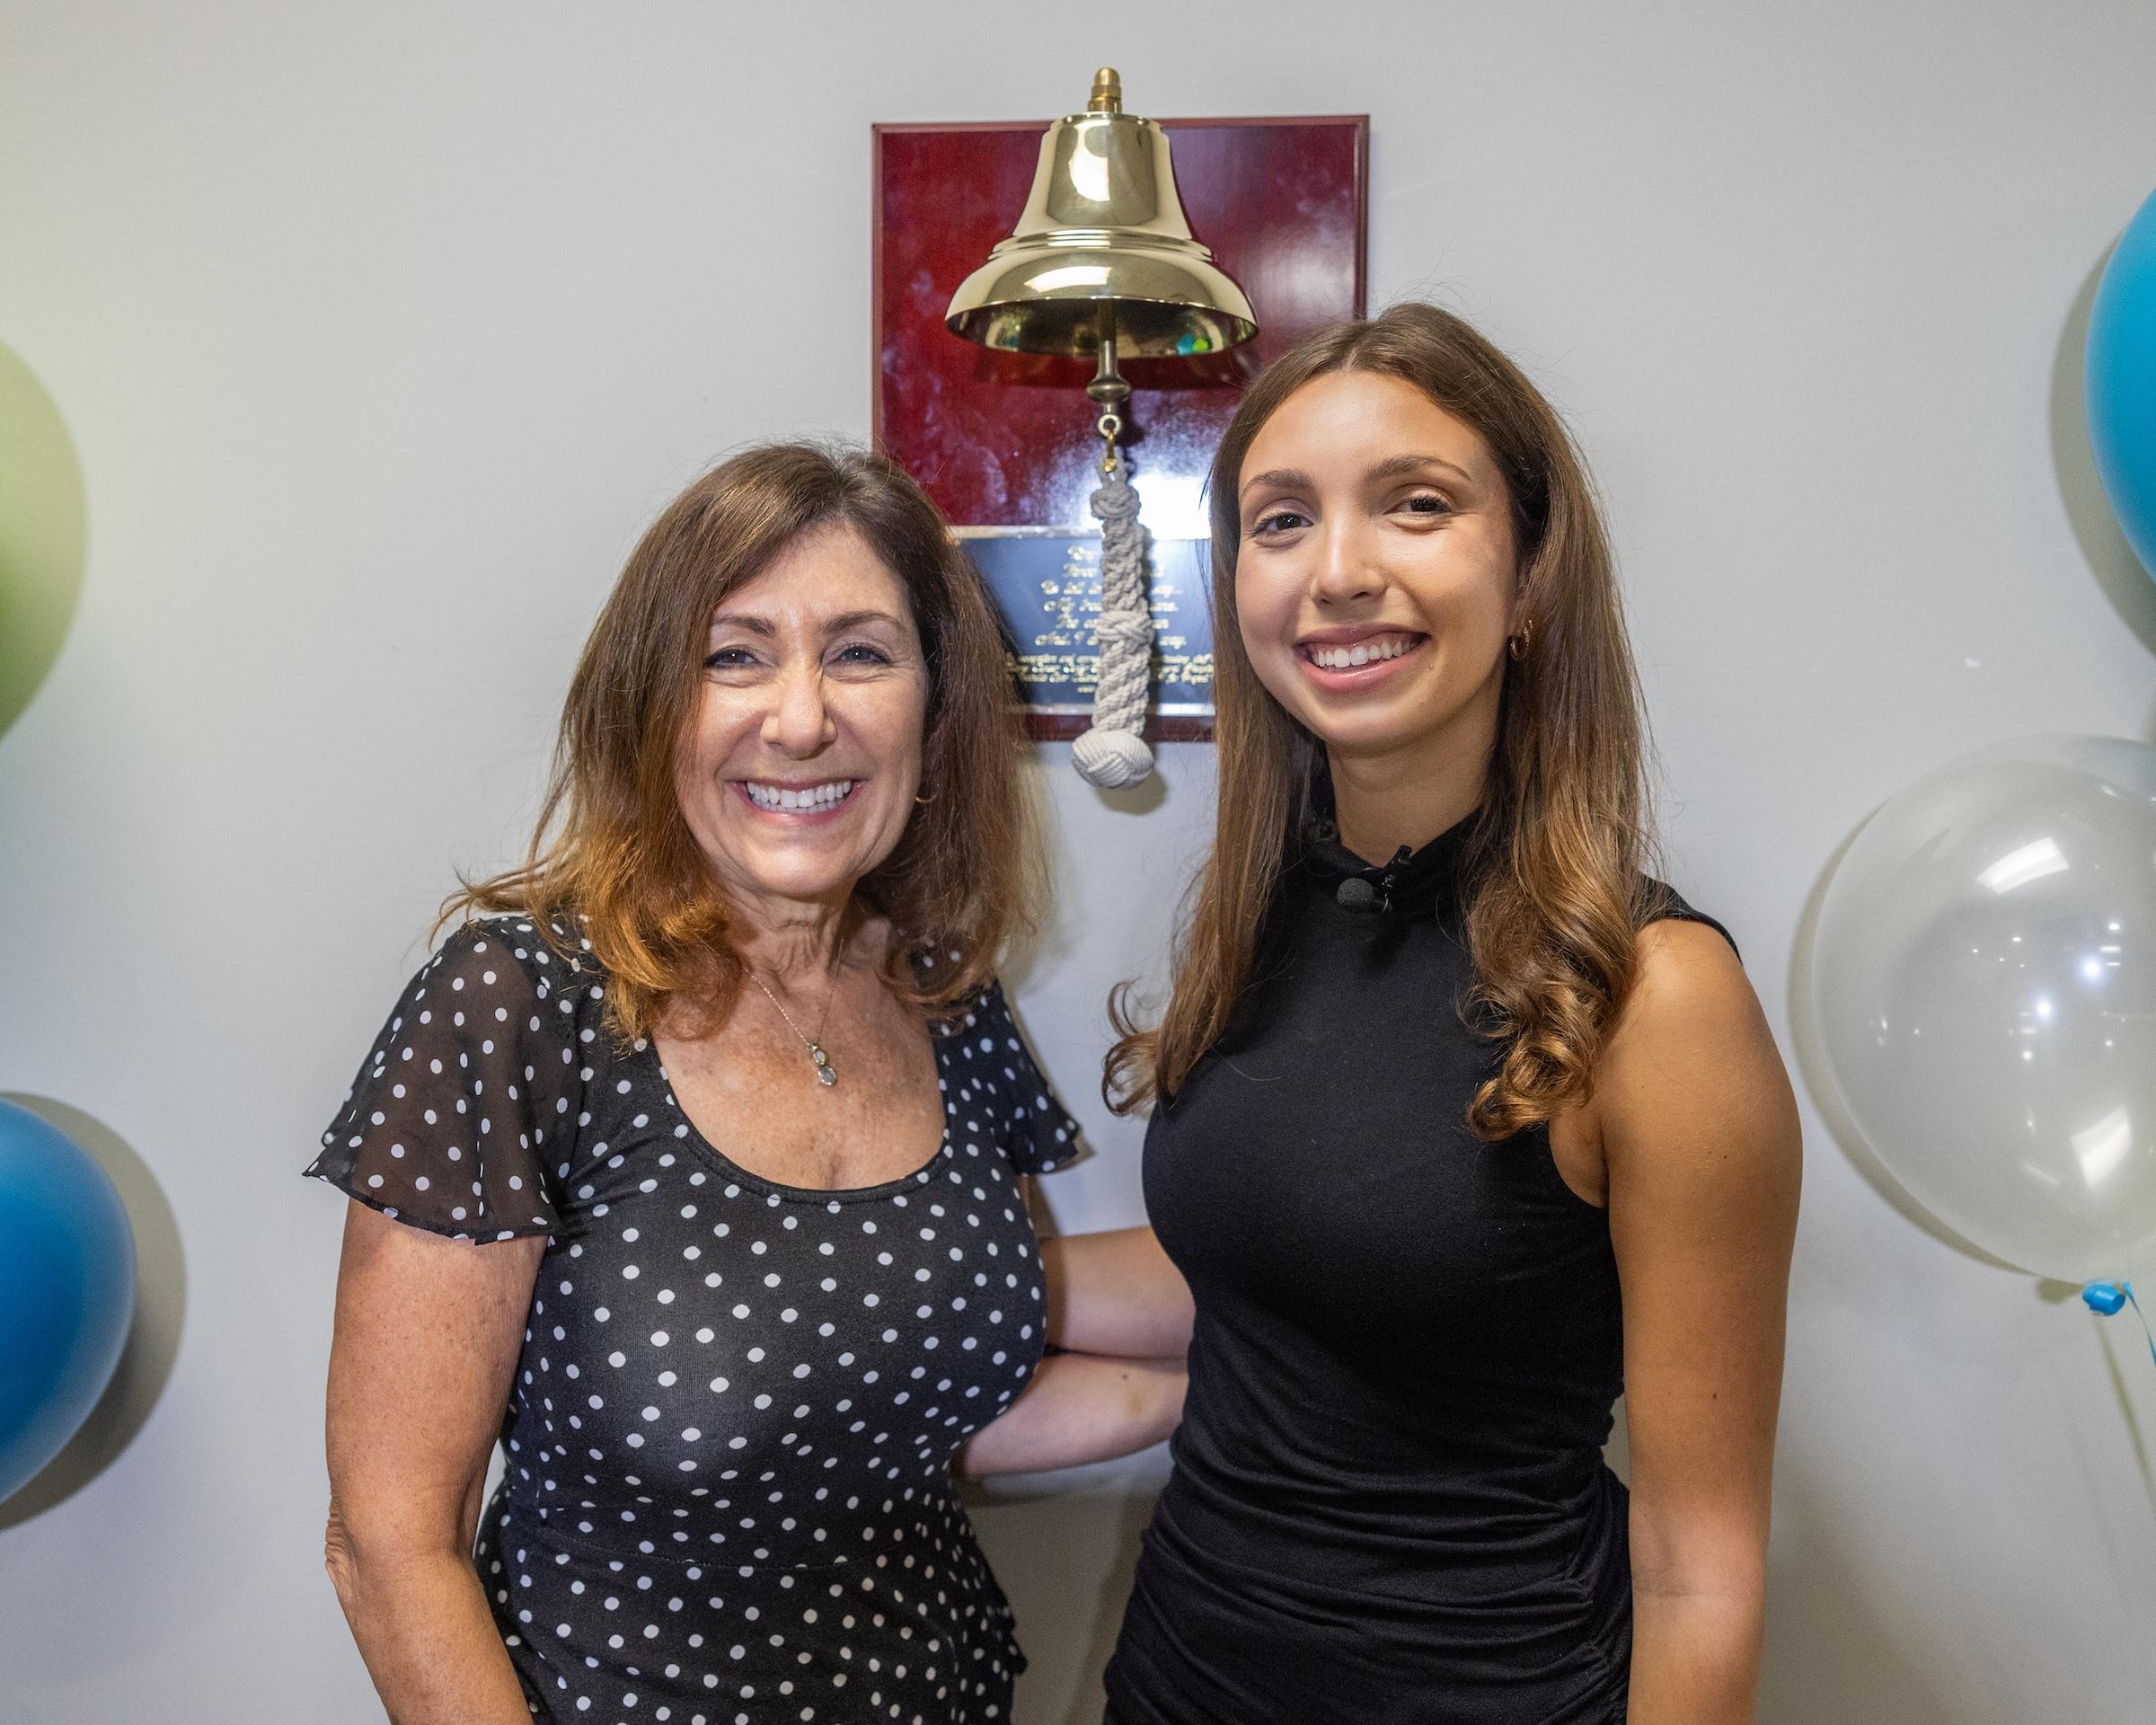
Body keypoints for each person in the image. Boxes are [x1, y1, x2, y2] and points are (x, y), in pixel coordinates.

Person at [307, 443, 1185, 1725]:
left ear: (935, 717)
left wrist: (1344, 1370)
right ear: (651, 706)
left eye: (862, 652)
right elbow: (389, 1547)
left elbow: (922, 1398)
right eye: (736, 655)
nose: (800, 716)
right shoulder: (521, 1003)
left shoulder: (942, 994)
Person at [1068, 304, 1802, 1724]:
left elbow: (1702, 1569)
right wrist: (896, 1279)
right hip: (1176, 1688)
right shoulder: (1258, 921)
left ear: (1529, 574)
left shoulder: (1654, 996)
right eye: (1282, 523)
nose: (1337, 572)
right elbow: (1285, 1277)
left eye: (1415, 505)